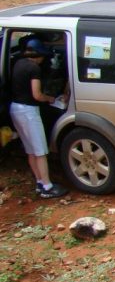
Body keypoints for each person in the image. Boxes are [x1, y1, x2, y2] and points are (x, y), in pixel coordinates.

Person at [10, 38, 68, 198]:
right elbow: (37, 94)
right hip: (29, 112)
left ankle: (40, 182)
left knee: (30, 150)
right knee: (41, 151)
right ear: (39, 55)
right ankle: (48, 187)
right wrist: (50, 99)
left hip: (15, 108)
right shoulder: (34, 68)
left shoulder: (18, 63)